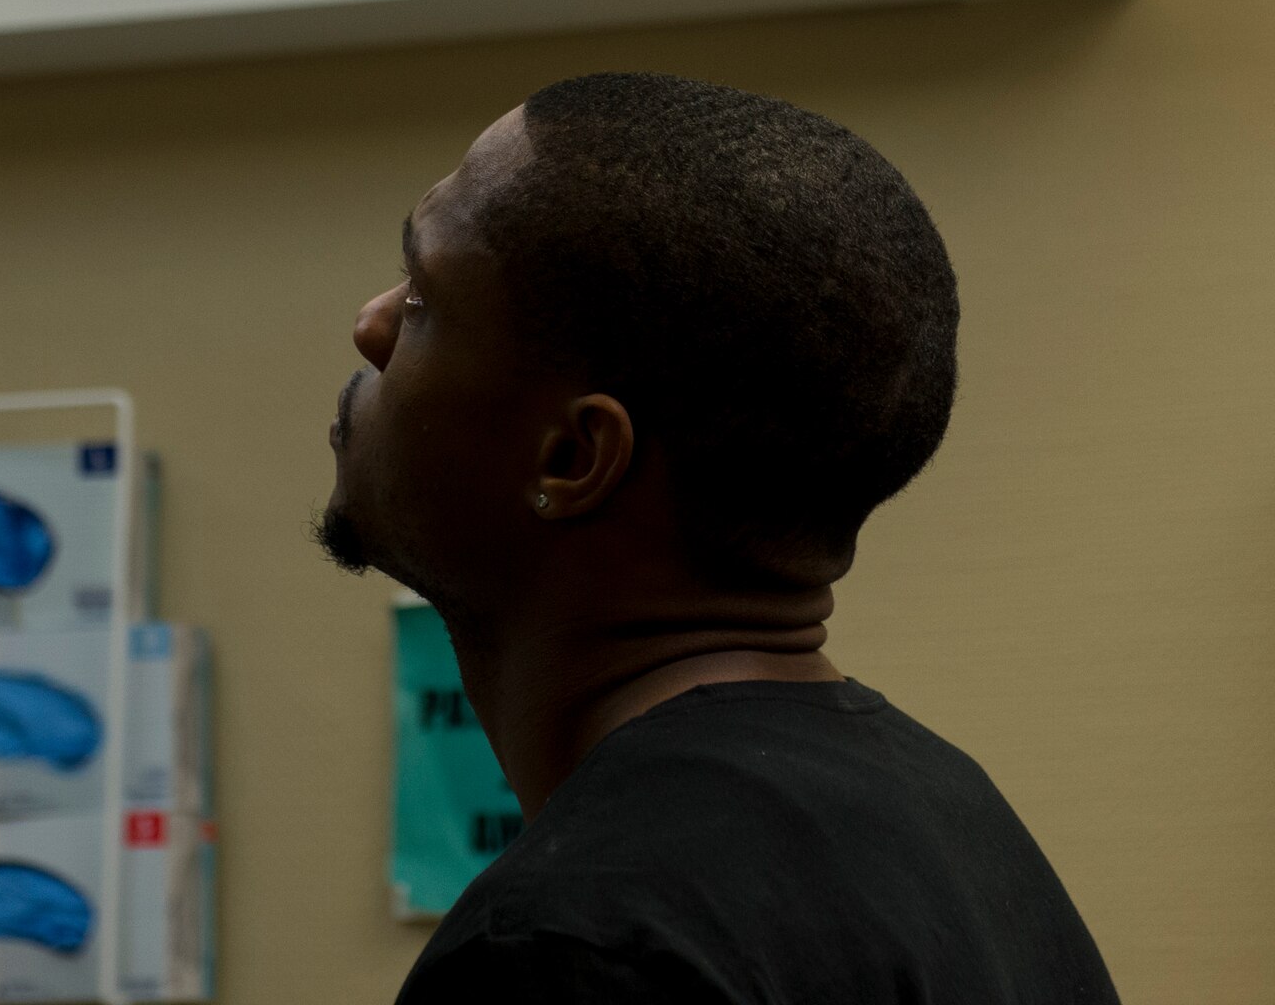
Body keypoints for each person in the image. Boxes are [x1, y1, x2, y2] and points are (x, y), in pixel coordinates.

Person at [318, 73, 1118, 1004]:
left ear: (575, 457)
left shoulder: (575, 947)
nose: (370, 324)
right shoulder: (957, 827)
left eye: (422, 297)